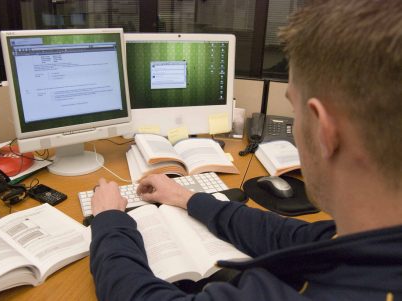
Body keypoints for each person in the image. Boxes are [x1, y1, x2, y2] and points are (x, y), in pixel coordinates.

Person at [89, 0, 402, 300]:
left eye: (295, 111)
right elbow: (290, 237)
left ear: (324, 131)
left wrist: (109, 220)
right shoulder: (374, 241)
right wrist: (187, 198)